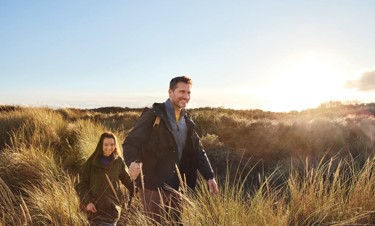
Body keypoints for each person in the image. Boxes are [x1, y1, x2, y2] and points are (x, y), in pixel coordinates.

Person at [122, 76, 219, 224]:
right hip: (152, 187)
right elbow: (130, 142)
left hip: (176, 187)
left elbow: (198, 150)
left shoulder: (187, 121)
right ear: (170, 92)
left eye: (188, 93)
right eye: (182, 92)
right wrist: (132, 162)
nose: (186, 96)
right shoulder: (154, 115)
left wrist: (209, 175)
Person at [76, 131, 134, 226]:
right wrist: (88, 202)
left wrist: (139, 187)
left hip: (112, 210)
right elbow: (82, 185)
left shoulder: (119, 162)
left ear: (115, 145)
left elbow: (127, 181)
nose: (109, 147)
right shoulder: (91, 163)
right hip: (95, 210)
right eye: (106, 144)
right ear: (101, 145)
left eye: (112, 144)